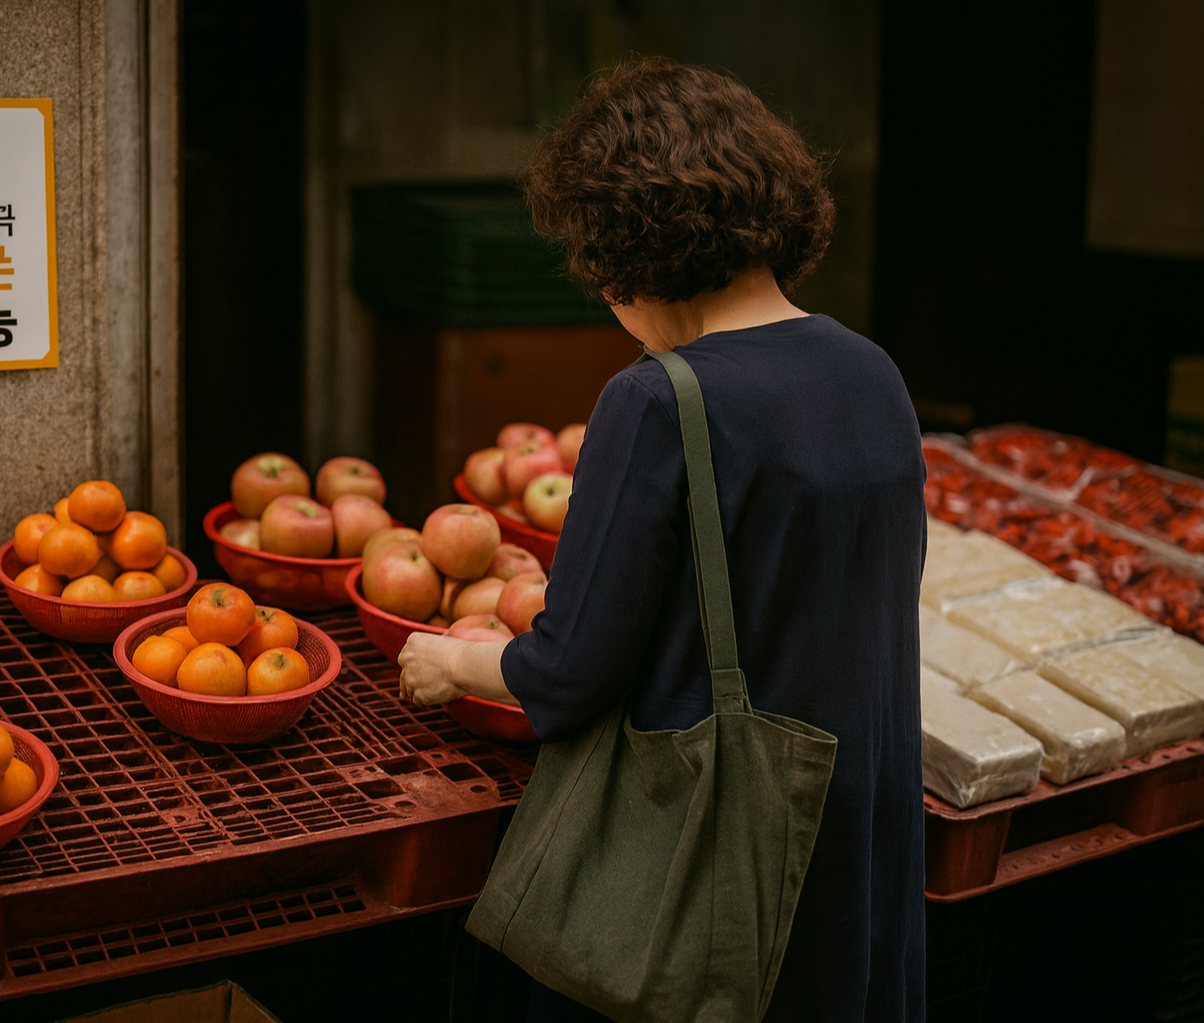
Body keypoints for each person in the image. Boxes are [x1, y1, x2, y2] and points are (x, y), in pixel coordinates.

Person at [398, 56, 927, 1022]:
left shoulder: (657, 401)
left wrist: (449, 665)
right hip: (853, 841)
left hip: (713, 867)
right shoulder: (874, 374)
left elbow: (568, 673)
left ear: (630, 247)